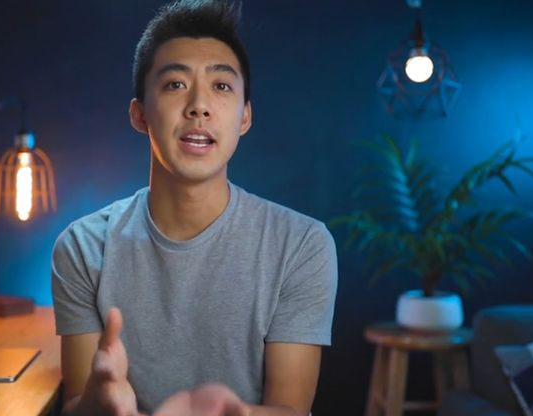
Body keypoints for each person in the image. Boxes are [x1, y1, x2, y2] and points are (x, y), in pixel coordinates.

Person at [51, 1, 338, 414]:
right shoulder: (82, 247)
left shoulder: (301, 245)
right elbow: (77, 403)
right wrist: (98, 403)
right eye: (175, 84)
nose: (199, 106)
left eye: (222, 86)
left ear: (245, 117)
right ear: (139, 114)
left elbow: (289, 410)